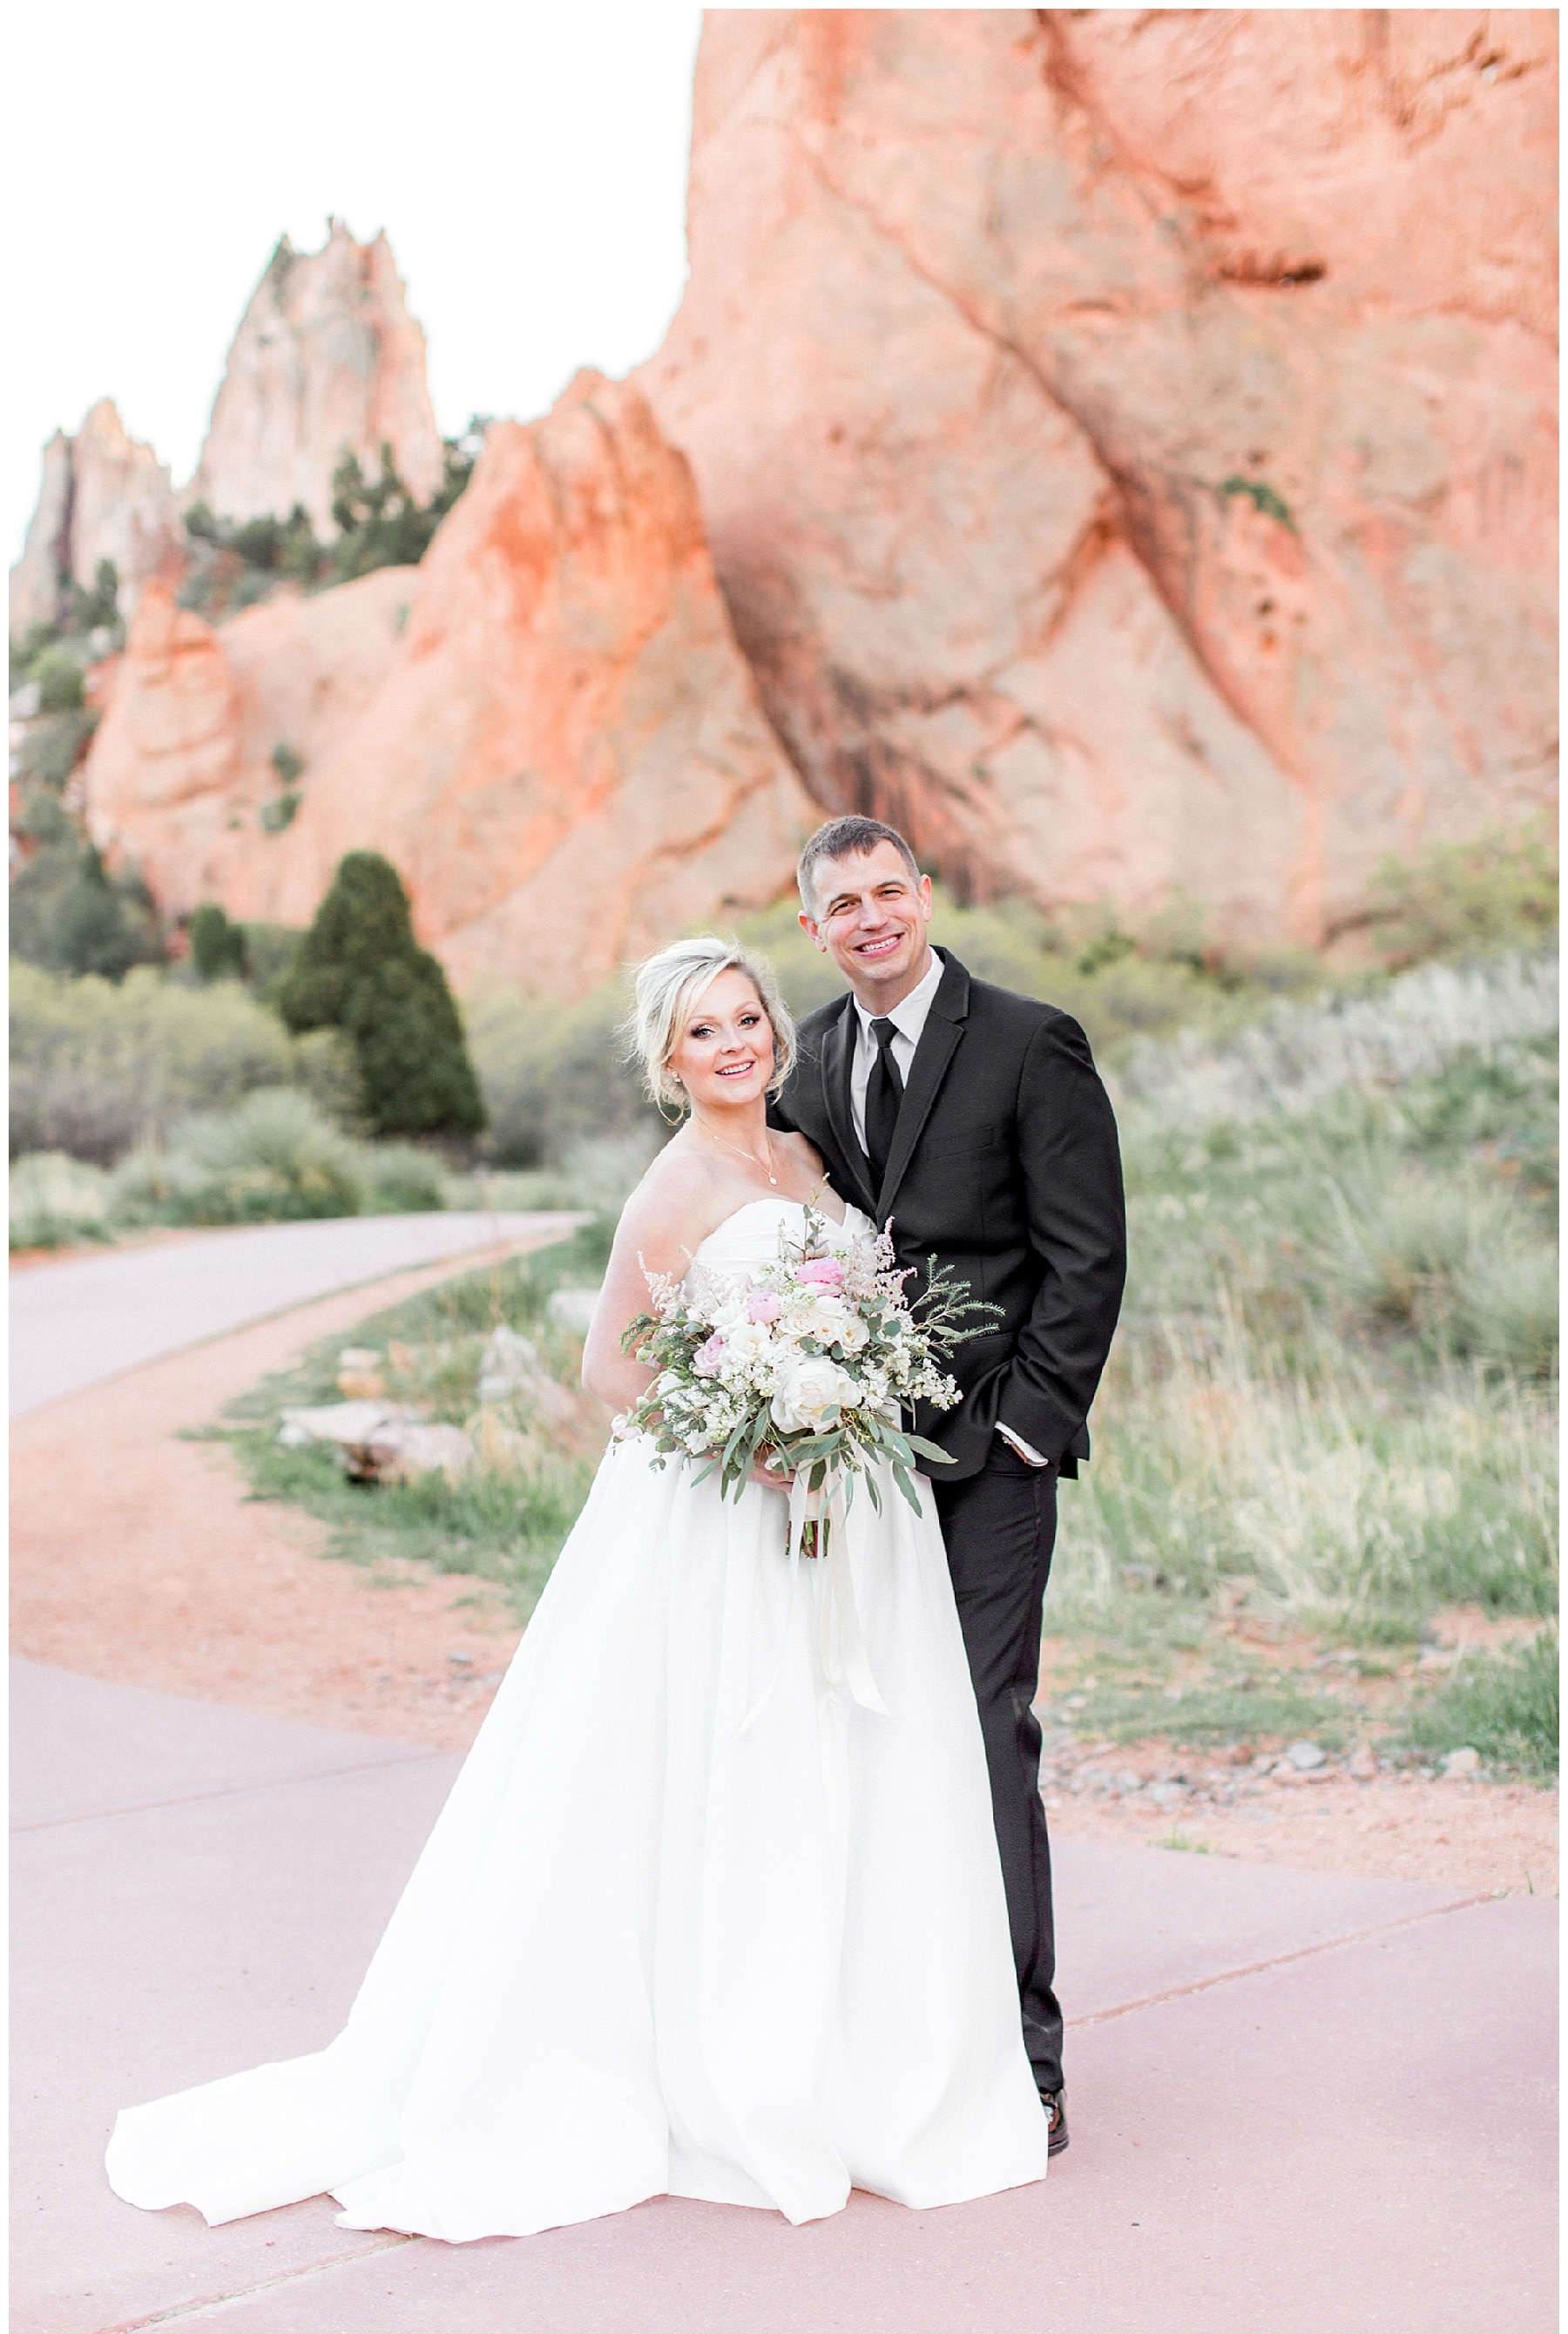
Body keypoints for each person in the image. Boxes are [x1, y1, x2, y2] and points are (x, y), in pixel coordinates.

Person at [105, 934, 1052, 2244]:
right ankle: (722, 2056)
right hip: (736, 1516)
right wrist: (757, 1441)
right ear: (668, 1060)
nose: (734, 1046)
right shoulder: (674, 1186)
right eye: (703, 1032)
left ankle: (856, 2058)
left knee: (851, 1752)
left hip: (853, 1509)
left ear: (775, 1032)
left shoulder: (807, 1158)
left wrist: (847, 1391)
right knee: (736, 1761)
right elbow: (612, 1372)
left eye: (747, 1020)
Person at [771, 817, 1127, 2153]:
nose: (871, 917)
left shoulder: (1032, 1042)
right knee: (862, 1739)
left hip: (991, 1460)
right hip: (854, 1468)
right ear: (813, 927)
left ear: (925, 896)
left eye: (889, 891)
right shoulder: (804, 1060)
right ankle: (889, 2039)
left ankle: (1024, 2060)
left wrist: (1031, 1426)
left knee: (984, 1735)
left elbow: (1087, 1255)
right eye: (843, 903)